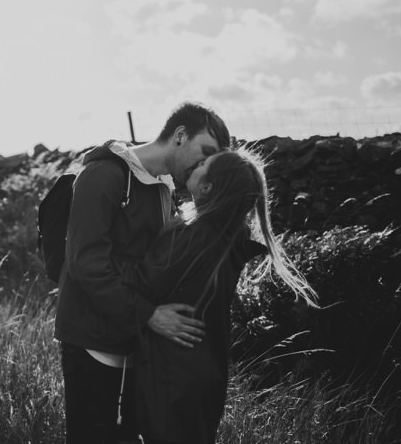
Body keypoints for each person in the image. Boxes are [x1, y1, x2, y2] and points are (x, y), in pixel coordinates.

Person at [54, 101, 231, 444]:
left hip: (132, 342)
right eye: (204, 151)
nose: (205, 164)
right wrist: (149, 315)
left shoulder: (163, 184)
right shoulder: (105, 174)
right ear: (180, 135)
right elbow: (86, 265)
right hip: (92, 341)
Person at [127, 147, 317, 444]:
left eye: (204, 164)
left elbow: (141, 282)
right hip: (206, 370)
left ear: (207, 187)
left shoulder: (196, 236)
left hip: (172, 372)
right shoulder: (231, 235)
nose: (196, 162)